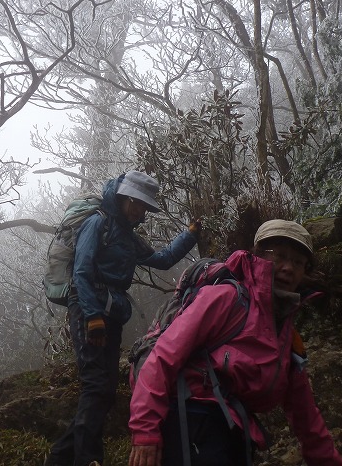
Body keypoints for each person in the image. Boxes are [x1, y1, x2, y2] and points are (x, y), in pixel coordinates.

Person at [128, 219, 342, 466]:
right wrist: (145, 431)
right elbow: (164, 356)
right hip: (190, 419)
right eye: (279, 256)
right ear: (259, 256)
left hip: (233, 428)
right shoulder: (226, 298)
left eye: (298, 262)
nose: (288, 268)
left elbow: (305, 413)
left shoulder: (285, 333)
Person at [45, 170, 201, 466]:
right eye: (136, 202)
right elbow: (81, 272)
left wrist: (190, 235)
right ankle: (88, 459)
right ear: (122, 197)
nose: (140, 210)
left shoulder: (127, 236)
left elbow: (163, 259)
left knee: (104, 390)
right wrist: (92, 316)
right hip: (89, 309)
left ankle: (59, 459)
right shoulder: (98, 223)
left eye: (144, 206)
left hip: (112, 312)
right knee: (95, 386)